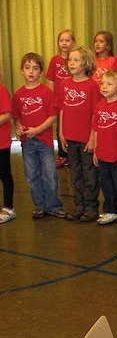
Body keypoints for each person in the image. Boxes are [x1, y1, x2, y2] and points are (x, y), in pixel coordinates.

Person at [11, 53, 66, 220]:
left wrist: (37, 130)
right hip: (27, 142)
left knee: (49, 173)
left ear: (40, 72)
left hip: (45, 140)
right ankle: (40, 205)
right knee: (31, 175)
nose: (31, 71)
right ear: (21, 71)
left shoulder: (46, 92)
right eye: (27, 68)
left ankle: (53, 205)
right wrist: (19, 127)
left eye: (35, 68)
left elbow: (53, 116)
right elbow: (17, 117)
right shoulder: (19, 94)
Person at [59, 46, 100, 222]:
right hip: (69, 136)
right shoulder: (65, 84)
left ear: (86, 63)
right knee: (74, 172)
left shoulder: (92, 85)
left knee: (89, 172)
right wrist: (61, 133)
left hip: (85, 138)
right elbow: (62, 109)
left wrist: (92, 137)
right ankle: (79, 205)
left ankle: (91, 207)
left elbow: (95, 113)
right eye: (70, 60)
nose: (72, 63)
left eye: (76, 60)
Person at [90, 70, 117, 228]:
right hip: (103, 154)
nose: (104, 87)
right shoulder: (99, 106)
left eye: (109, 84)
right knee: (106, 184)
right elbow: (96, 129)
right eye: (102, 83)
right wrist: (95, 150)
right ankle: (111, 210)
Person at [46, 29, 75, 168]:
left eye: (67, 40)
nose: (64, 43)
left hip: (72, 100)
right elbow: (51, 80)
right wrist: (51, 98)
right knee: (60, 129)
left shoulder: (75, 60)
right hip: (59, 100)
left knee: (72, 126)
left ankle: (74, 154)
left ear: (73, 43)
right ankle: (63, 156)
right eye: (61, 40)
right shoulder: (55, 60)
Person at [0, 66, 15, 224]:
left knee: (4, 173)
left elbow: (7, 114)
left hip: (1, 143)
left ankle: (8, 207)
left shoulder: (1, 90)